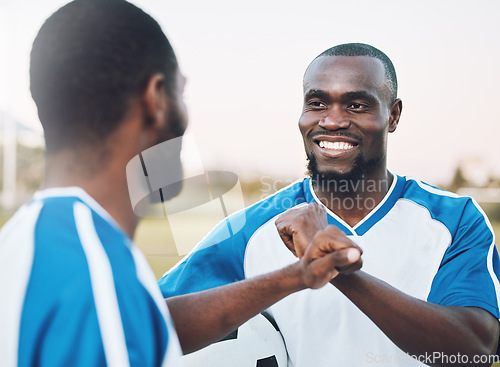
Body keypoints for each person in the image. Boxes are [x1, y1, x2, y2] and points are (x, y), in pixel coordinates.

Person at [0, 1, 362, 366]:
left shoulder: (30, 241)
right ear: (156, 99)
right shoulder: (92, 269)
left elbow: (148, 322)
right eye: (181, 92)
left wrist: (295, 277)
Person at [159, 43, 500, 366]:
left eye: (356, 105)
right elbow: (149, 320)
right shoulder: (253, 228)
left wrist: (339, 271)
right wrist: (288, 279)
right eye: (318, 103)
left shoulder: (454, 220)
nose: (332, 120)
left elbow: (477, 348)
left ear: (393, 116)